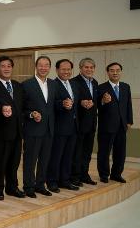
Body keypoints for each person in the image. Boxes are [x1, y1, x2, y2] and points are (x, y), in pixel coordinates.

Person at [0, 56, 25, 200]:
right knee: (0, 161)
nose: (6, 69)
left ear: (12, 68)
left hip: (18, 131)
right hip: (2, 131)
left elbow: (22, 107)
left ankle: (12, 187)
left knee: (14, 161)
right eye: (3, 66)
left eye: (8, 66)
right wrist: (1, 109)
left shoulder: (18, 86)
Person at [22, 56, 56, 198]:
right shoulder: (26, 85)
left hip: (49, 129)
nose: (43, 68)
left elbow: (54, 105)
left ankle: (40, 184)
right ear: (36, 67)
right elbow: (21, 109)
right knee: (30, 159)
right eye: (40, 65)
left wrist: (64, 103)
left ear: (49, 67)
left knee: (45, 159)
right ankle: (28, 186)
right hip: (33, 129)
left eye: (46, 65)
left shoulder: (54, 84)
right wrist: (31, 114)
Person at [46, 59, 79, 193]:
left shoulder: (73, 84)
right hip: (59, 127)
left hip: (73, 127)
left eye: (68, 69)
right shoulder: (52, 85)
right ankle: (52, 181)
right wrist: (61, 105)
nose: (66, 72)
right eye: (63, 69)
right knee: (56, 156)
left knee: (68, 155)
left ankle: (65, 180)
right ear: (57, 70)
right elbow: (50, 104)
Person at [97, 62, 133, 183]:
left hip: (122, 126)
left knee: (120, 152)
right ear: (108, 72)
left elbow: (128, 105)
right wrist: (103, 101)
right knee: (104, 152)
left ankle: (116, 174)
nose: (115, 72)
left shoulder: (125, 87)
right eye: (112, 70)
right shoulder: (101, 87)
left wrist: (129, 122)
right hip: (106, 126)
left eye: (117, 70)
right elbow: (97, 107)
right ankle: (103, 175)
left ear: (121, 72)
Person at [70, 58, 98, 186]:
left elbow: (95, 102)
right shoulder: (73, 82)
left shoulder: (95, 83)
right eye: (86, 67)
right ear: (80, 68)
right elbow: (69, 100)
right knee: (76, 152)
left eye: (91, 67)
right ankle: (74, 176)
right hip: (78, 124)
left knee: (87, 152)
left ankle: (84, 174)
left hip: (91, 123)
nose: (89, 69)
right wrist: (80, 102)